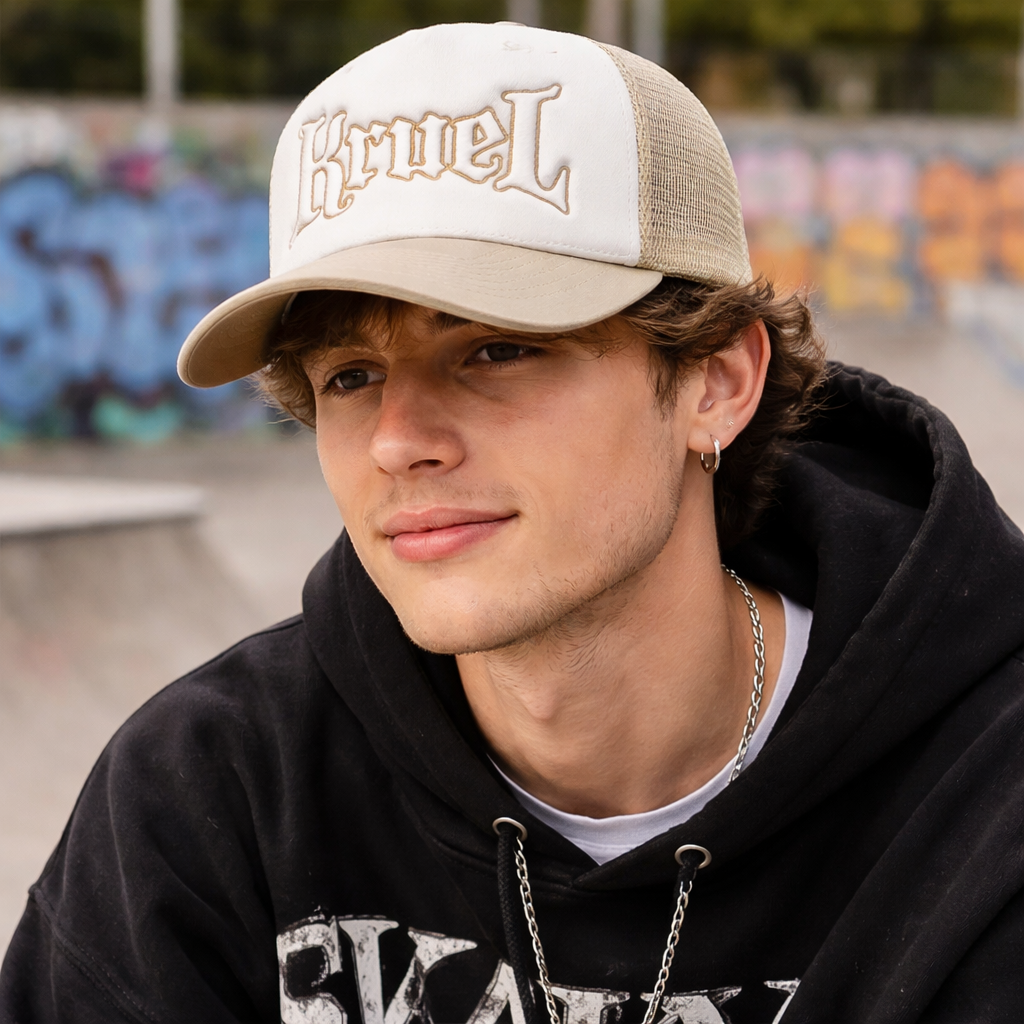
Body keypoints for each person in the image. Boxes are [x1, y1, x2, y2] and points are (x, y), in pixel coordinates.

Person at [2, 21, 1022, 1024]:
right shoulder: (213, 792)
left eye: (496, 350)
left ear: (715, 380)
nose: (398, 441)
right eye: (349, 376)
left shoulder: (983, 794)